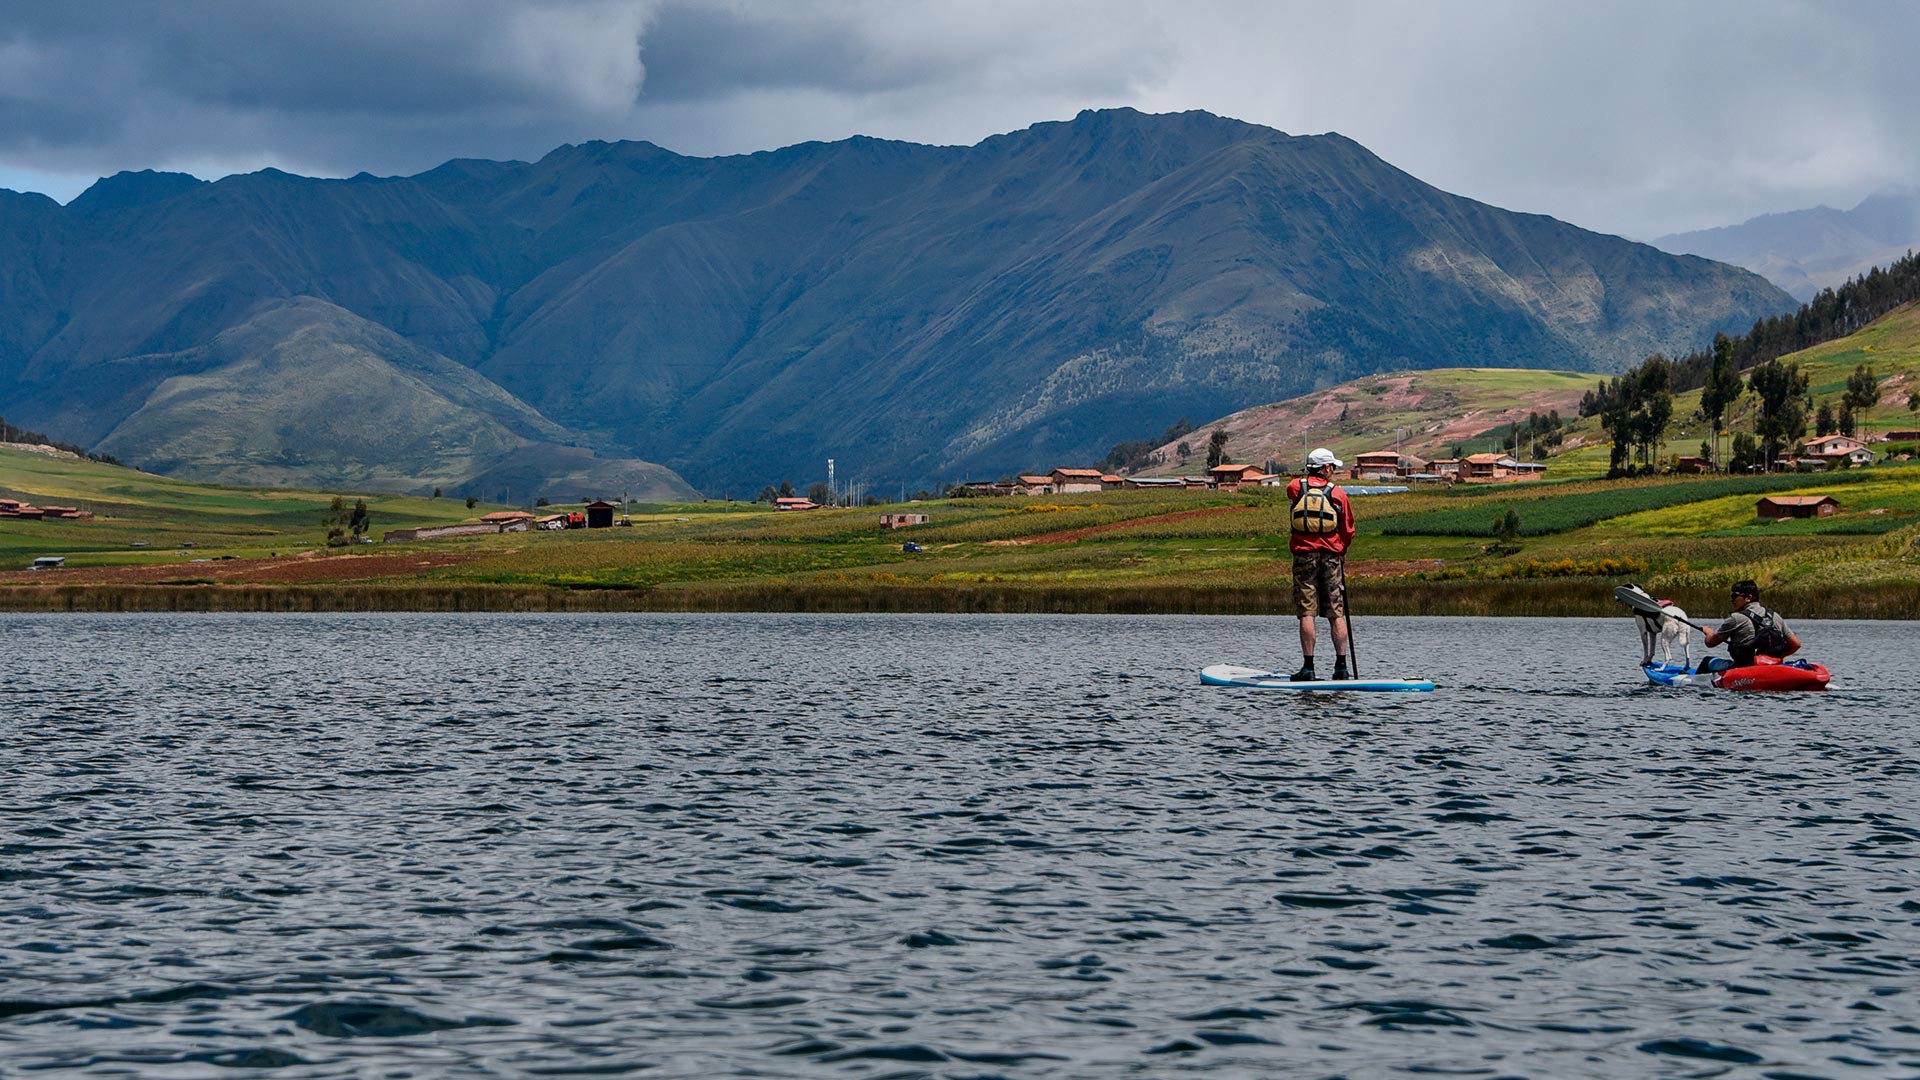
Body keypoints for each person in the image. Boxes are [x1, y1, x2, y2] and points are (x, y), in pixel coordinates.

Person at [1286, 447, 1356, 680]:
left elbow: (1294, 490)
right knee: (1336, 613)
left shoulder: (1296, 488)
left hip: (1304, 557)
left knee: (1307, 612)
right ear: (1325, 468)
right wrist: (1340, 551)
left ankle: (1308, 668)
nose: (1334, 471)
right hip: (1331, 558)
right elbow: (1348, 530)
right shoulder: (1339, 495)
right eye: (1332, 467)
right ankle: (1341, 668)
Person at [1702, 579, 1801, 668]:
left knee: (1707, 661)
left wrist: (1709, 633)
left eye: (1734, 596)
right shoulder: (1775, 616)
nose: (1731, 600)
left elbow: (1711, 643)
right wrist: (1777, 658)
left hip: (1744, 668)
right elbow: (1796, 644)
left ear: (1748, 597)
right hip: (1772, 666)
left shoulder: (1736, 618)